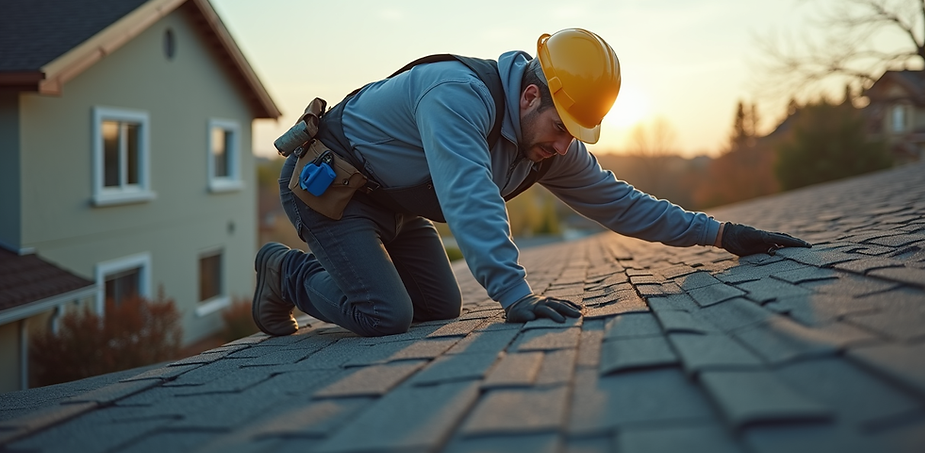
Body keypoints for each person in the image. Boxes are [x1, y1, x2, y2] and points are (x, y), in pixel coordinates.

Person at [253, 28, 810, 337]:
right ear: (529, 95)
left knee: (440, 308)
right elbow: (469, 195)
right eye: (562, 129)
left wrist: (721, 235)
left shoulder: (548, 144)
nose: (565, 145)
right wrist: (514, 295)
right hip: (331, 190)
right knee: (386, 316)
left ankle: (337, 273)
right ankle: (286, 271)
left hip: (394, 203)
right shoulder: (455, 95)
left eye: (577, 136)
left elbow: (622, 204)